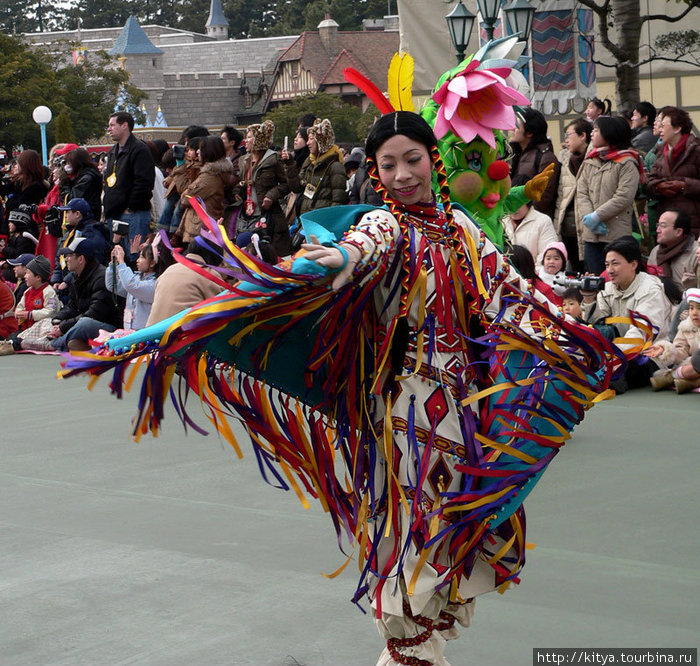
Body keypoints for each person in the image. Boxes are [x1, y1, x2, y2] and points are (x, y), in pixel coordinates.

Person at [62, 112, 637, 666]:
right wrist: (330, 257)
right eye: (388, 166)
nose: (402, 175)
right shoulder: (386, 225)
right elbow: (358, 250)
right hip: (408, 411)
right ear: (378, 174)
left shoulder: (462, 227)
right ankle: (409, 654)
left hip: (466, 410)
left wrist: (582, 337)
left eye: (412, 160)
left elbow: (508, 292)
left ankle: (416, 651)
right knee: (412, 535)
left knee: (454, 533)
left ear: (432, 160)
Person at [586, 237, 671, 391]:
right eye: (607, 264)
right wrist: (587, 300)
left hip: (649, 353)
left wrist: (609, 356)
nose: (610, 270)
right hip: (614, 351)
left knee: (622, 369)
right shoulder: (606, 289)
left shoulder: (650, 290)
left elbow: (640, 334)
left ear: (633, 264)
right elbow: (594, 326)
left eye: (615, 263)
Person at [576, 116, 643, 274]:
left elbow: (624, 196)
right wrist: (588, 217)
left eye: (596, 130)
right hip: (591, 235)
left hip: (616, 234)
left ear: (609, 133)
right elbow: (581, 192)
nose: (592, 134)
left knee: (616, 278)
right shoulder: (590, 160)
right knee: (594, 278)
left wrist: (598, 215)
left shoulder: (627, 162)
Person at [45, 237, 122, 352]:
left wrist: (64, 326)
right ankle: (24, 341)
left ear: (81, 259)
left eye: (69, 256)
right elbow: (72, 306)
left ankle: (52, 345)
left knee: (84, 324)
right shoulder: (76, 276)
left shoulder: (101, 277)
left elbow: (95, 314)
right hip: (87, 320)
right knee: (49, 321)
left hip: (110, 327)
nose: (66, 259)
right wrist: (58, 320)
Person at [234, 121, 291, 257]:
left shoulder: (273, 159)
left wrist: (271, 195)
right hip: (247, 217)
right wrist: (237, 191)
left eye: (249, 137)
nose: (245, 141)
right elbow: (240, 184)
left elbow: (287, 184)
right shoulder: (243, 161)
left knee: (271, 257)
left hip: (269, 217)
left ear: (258, 139)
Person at [102, 111, 156, 246]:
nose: (109, 129)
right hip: (115, 214)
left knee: (134, 256)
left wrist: (130, 208)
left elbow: (144, 183)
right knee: (118, 257)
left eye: (112, 125)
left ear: (124, 125)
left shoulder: (139, 149)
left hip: (133, 214)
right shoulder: (113, 151)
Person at [646, 106, 700, 238]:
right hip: (667, 224)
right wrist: (658, 187)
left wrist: (683, 185)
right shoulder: (659, 152)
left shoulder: (696, 150)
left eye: (664, 125)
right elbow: (650, 181)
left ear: (677, 128)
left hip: (693, 223)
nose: (660, 129)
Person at [145, 240, 225, 326]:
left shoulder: (169, 270)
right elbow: (224, 307)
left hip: (152, 333)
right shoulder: (208, 273)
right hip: (180, 334)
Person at [176, 136, 233, 244]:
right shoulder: (214, 173)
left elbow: (186, 198)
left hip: (200, 230)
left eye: (201, 149)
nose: (197, 152)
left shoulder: (210, 176)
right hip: (201, 228)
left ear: (209, 152)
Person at [553, 118, 592, 273]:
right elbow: (561, 195)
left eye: (569, 135)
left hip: (588, 226)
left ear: (583, 135)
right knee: (573, 270)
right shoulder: (564, 159)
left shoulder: (594, 159)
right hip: (567, 228)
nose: (566, 140)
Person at [0, 255, 58, 355]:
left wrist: (29, 314)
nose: (25, 276)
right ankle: (13, 343)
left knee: (45, 327)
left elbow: (50, 312)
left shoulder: (49, 292)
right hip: (25, 329)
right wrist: (19, 313)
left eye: (28, 273)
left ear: (38, 277)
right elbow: (19, 307)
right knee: (14, 337)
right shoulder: (27, 292)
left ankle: (14, 345)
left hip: (40, 328)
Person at [509, 108, 561, 219]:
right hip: (512, 221)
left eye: (517, 126)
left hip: (533, 223)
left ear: (529, 133)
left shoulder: (546, 158)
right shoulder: (513, 154)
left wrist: (523, 219)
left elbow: (543, 197)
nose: (513, 129)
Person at [290, 118, 348, 216]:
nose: (308, 143)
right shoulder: (311, 163)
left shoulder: (335, 167)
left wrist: (329, 220)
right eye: (308, 139)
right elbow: (297, 188)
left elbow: (338, 200)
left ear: (321, 141)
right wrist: (289, 164)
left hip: (322, 221)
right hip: (308, 218)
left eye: (311, 139)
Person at [646, 287, 700, 392]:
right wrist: (665, 350)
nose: (694, 312)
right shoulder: (685, 328)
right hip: (692, 366)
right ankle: (687, 381)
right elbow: (681, 352)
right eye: (691, 308)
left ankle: (674, 378)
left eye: (699, 308)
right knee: (696, 361)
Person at [501, 176, 558, 264]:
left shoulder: (543, 221)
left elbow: (546, 256)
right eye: (511, 203)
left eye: (518, 203)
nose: (514, 208)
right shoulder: (501, 220)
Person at [105, 242, 157, 331]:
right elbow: (112, 285)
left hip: (145, 334)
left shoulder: (155, 283)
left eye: (142, 257)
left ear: (152, 263)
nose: (137, 260)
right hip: (129, 331)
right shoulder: (136, 278)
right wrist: (114, 263)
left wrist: (121, 262)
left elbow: (132, 286)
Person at [647, 210, 698, 292]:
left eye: (663, 226)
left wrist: (691, 287)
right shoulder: (656, 251)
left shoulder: (696, 253)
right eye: (658, 225)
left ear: (678, 232)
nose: (657, 230)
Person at [55, 197, 110, 266]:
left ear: (77, 214)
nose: (65, 216)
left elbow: (95, 262)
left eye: (67, 212)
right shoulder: (70, 232)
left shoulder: (92, 232)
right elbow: (59, 257)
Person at [60, 148, 103, 220]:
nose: (67, 166)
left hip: (86, 219)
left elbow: (71, 199)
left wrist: (65, 182)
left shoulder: (87, 178)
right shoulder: (84, 176)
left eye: (69, 163)